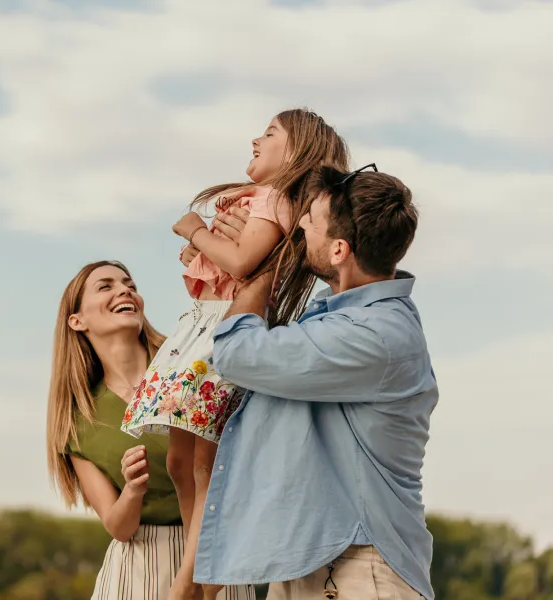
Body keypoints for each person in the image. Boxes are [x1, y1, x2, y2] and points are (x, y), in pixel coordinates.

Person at [121, 109, 349, 599]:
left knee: (203, 465)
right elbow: (233, 266)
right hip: (201, 328)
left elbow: (244, 262)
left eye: (269, 133)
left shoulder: (272, 199)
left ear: (296, 151)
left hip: (219, 333)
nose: (255, 139)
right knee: (182, 463)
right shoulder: (259, 202)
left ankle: (192, 583)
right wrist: (204, 254)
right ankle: (198, 567)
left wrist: (195, 232)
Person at [192, 164, 439, 600]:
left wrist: (264, 266)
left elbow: (237, 353)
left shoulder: (372, 335)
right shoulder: (342, 318)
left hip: (361, 569)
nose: (299, 224)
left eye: (311, 221)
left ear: (340, 249)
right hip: (317, 561)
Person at [46, 260, 255, 599]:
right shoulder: (77, 421)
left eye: (129, 284)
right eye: (106, 286)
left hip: (212, 556)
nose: (124, 290)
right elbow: (118, 527)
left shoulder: (191, 364)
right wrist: (132, 490)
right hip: (136, 570)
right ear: (77, 320)